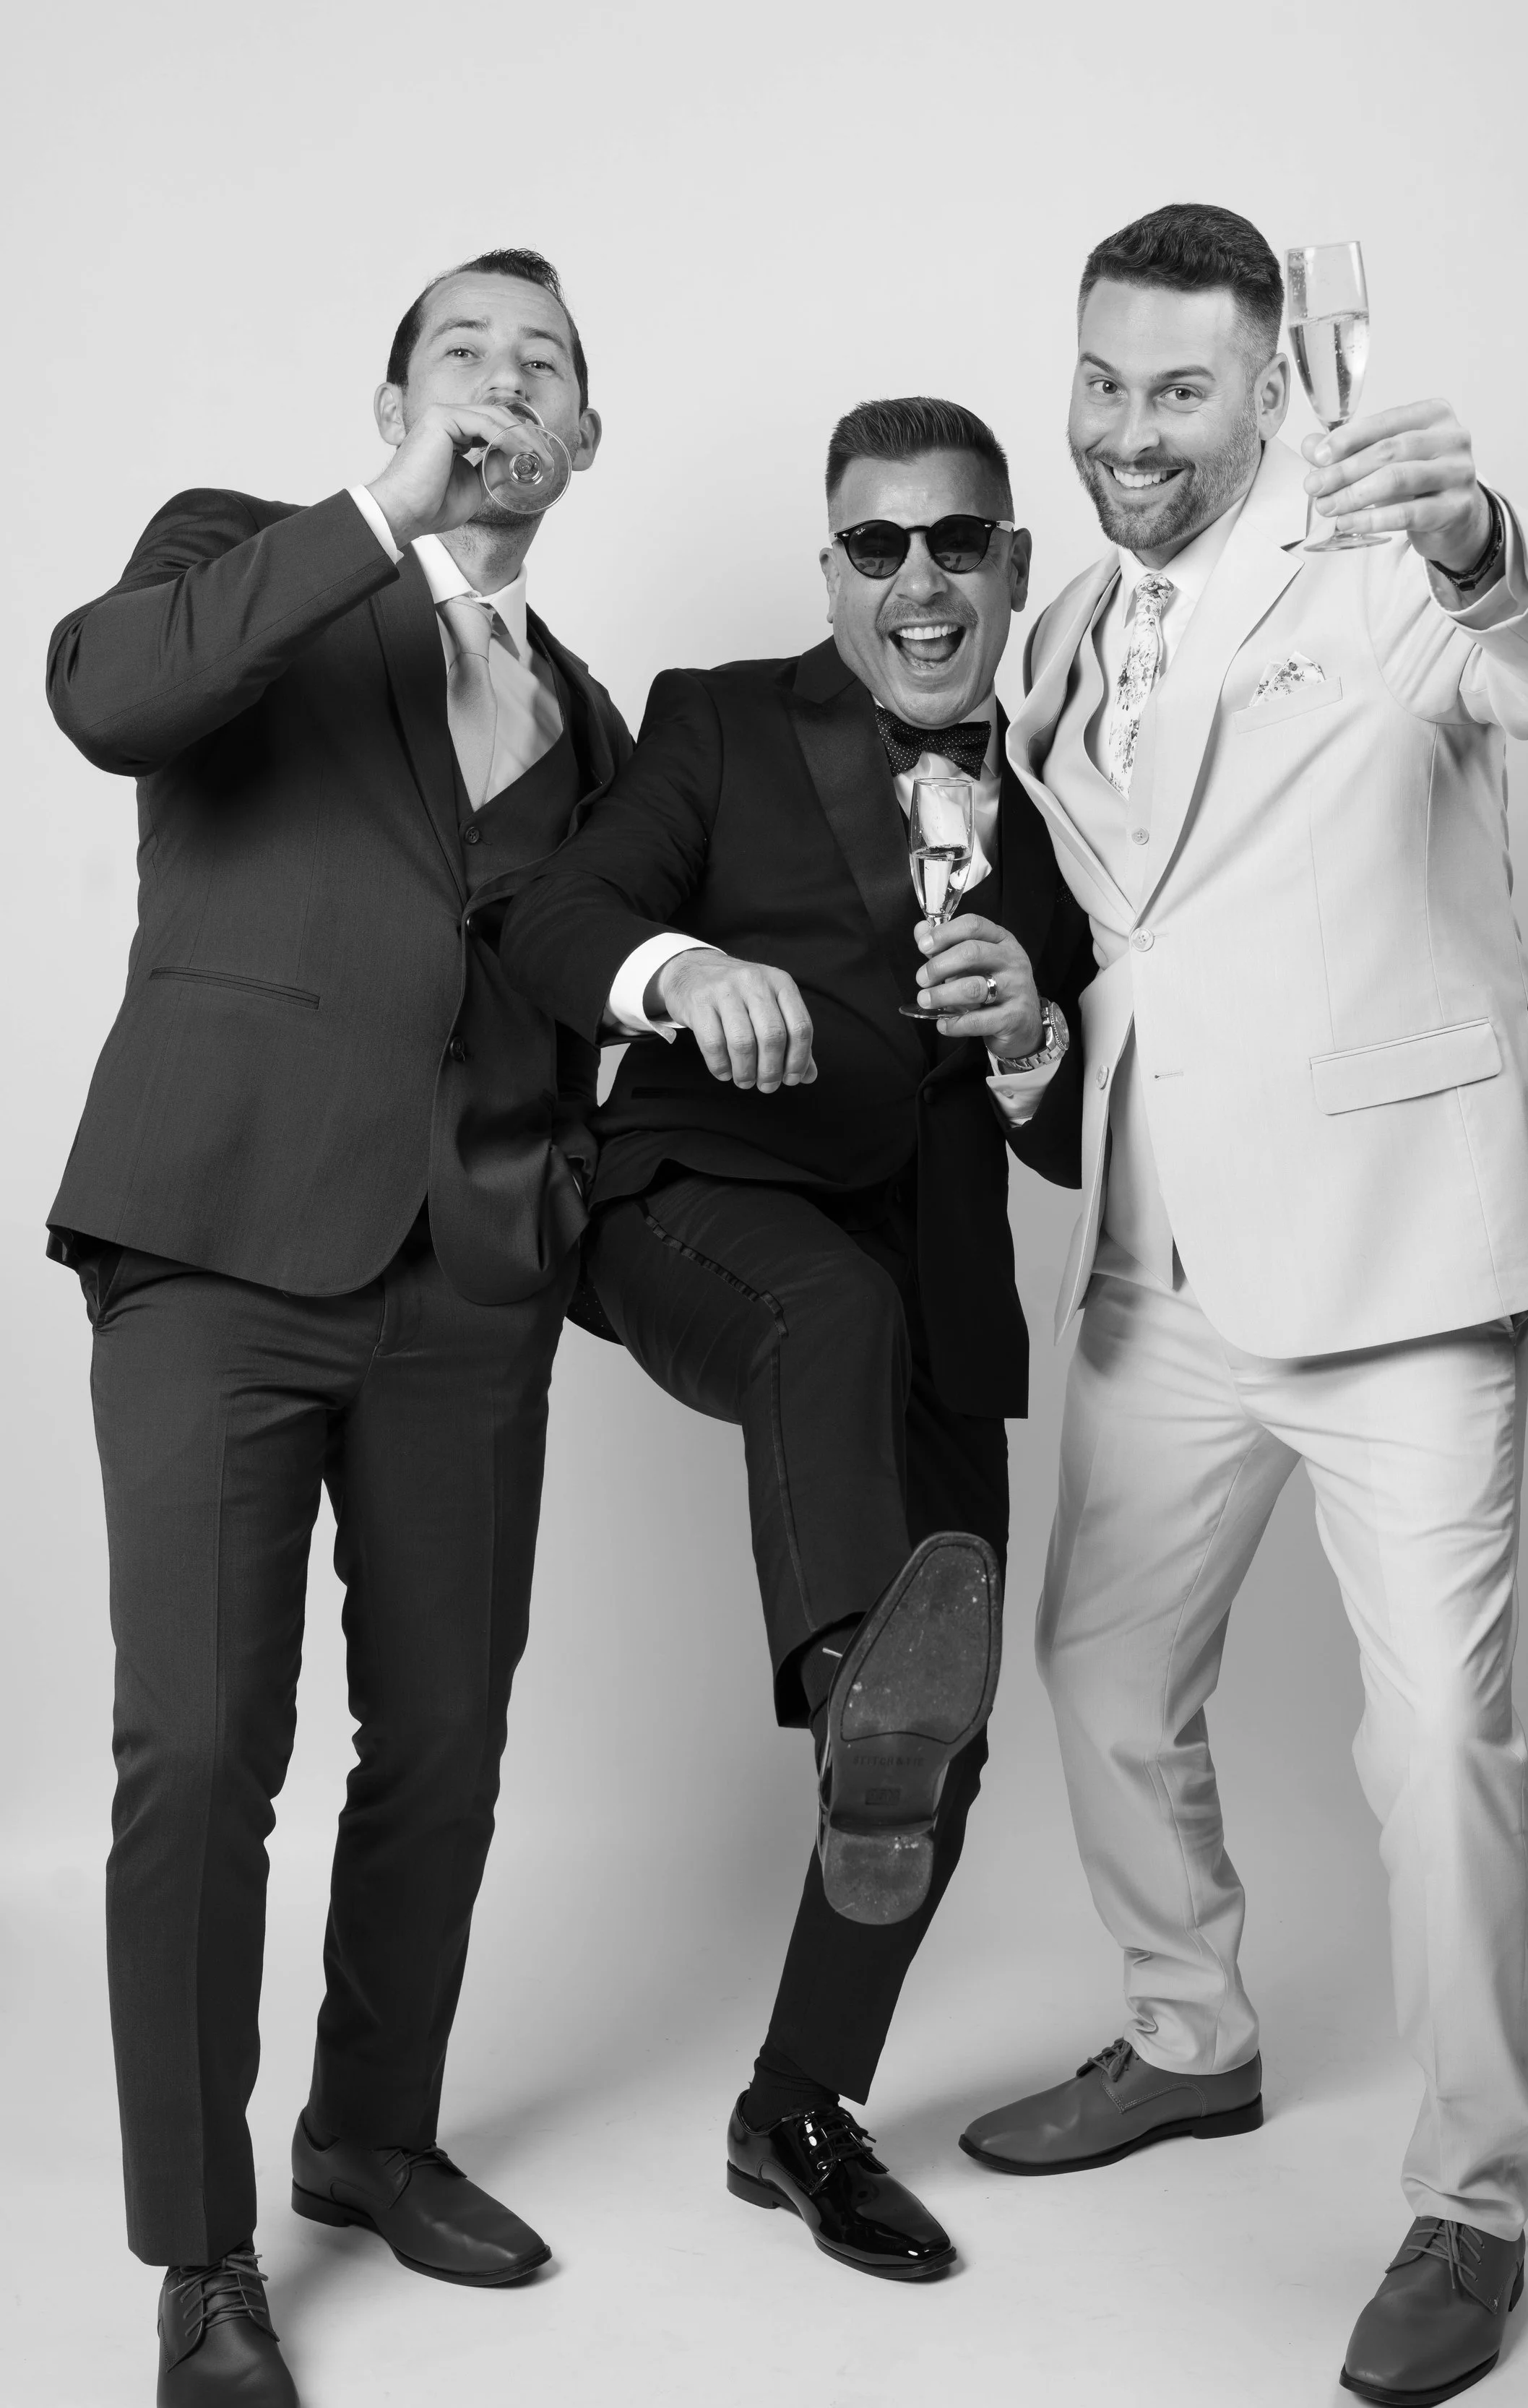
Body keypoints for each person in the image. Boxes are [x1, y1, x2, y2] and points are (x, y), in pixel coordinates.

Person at [957, 205, 1528, 2404]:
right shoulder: (1069, 624)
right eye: (1099, 381)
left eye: (1176, 390)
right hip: (1161, 1251)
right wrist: (1050, 1062)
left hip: (1396, 1261)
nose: (1126, 431)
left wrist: (1480, 536)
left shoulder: (1387, 564)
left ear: (1267, 387)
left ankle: (1470, 2199)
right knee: (1090, 1667)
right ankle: (1190, 2032)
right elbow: (1144, 927)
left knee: (1434, 1736)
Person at [46, 249, 631, 2407]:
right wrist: (381, 505)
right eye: (462, 350)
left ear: (588, 438)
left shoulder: (591, 711)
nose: (503, 381)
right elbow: (109, 698)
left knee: (450, 1745)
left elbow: (588, 985)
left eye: (543, 362)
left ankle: (369, 2130)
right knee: (200, 1751)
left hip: (470, 1284)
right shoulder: (242, 565)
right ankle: (203, 2252)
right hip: (213, 1245)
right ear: (392, 398)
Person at [499, 396, 1090, 2282]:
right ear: (831, 567)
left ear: (1012, 563)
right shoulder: (720, 722)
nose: (918, 581)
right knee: (819, 1326)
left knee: (948, 1746)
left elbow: (1084, 1116)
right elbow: (558, 916)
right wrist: (685, 971)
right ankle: (856, 1670)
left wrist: (1024, 1040)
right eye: (875, 545)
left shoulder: (1086, 786)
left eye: (955, 543)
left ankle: (796, 2108)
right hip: (702, 1195)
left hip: (929, 1269)